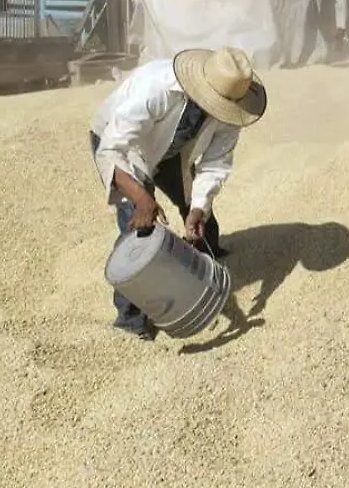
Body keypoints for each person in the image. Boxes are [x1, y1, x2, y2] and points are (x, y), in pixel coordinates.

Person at [89, 47, 267, 339]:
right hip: (124, 147)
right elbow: (111, 149)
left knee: (199, 214)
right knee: (138, 228)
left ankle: (206, 258)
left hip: (173, 149)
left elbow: (215, 163)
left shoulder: (232, 110)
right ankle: (130, 321)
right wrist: (141, 199)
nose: (219, 109)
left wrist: (198, 207)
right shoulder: (155, 89)